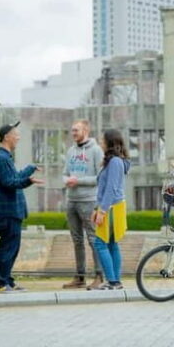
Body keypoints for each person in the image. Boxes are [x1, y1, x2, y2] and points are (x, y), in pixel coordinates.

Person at [0, 121, 44, 293]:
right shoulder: (1, 159)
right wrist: (28, 181)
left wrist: (30, 169)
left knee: (12, 248)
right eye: (16, 134)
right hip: (7, 212)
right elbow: (9, 182)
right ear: (7, 137)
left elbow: (15, 177)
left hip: (13, 212)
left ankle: (8, 281)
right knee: (7, 247)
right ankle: (1, 283)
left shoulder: (6, 158)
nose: (18, 138)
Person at [61, 119, 104, 290]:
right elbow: (65, 173)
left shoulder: (96, 150)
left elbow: (99, 177)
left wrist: (77, 181)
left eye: (76, 130)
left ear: (86, 130)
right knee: (77, 240)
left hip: (88, 201)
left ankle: (100, 276)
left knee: (93, 239)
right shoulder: (71, 151)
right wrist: (66, 180)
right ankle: (79, 277)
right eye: (72, 130)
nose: (73, 133)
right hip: (71, 200)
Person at [91, 129, 130, 290]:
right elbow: (104, 188)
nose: (100, 142)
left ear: (109, 142)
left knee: (100, 243)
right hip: (113, 207)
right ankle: (115, 281)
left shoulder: (114, 162)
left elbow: (111, 189)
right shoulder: (115, 161)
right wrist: (97, 208)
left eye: (102, 140)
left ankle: (112, 281)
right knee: (112, 243)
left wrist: (102, 211)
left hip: (112, 207)